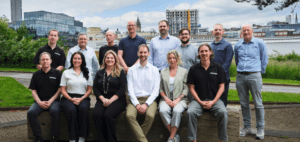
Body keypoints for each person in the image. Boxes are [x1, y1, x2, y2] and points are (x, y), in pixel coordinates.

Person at [186, 43, 228, 142]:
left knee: (223, 112)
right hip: (198, 101)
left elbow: (222, 87)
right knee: (190, 113)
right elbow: (191, 88)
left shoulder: (218, 68)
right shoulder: (193, 69)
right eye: (202, 51)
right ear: (198, 54)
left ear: (210, 52)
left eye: (206, 51)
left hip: (215, 100)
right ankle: (192, 140)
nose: (204, 53)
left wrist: (213, 102)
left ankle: (222, 140)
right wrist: (200, 102)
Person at [235, 24, 268, 140]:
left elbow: (264, 59)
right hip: (240, 76)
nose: (246, 32)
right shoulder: (238, 45)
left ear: (252, 31)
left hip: (254, 75)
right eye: (244, 30)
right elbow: (237, 60)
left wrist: (258, 72)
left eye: (248, 30)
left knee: (258, 104)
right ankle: (247, 127)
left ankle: (260, 128)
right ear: (241, 32)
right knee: (244, 104)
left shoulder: (259, 43)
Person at [126, 44, 160, 142]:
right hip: (135, 99)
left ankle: (138, 140)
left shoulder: (154, 70)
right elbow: (130, 90)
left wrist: (146, 104)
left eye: (145, 52)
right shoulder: (132, 70)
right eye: (141, 52)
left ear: (149, 54)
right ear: (138, 53)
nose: (143, 54)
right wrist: (137, 104)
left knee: (150, 116)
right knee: (129, 116)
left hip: (149, 99)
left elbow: (155, 90)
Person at [93, 50, 127, 142]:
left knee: (108, 115)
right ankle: (102, 139)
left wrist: (110, 100)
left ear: (115, 60)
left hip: (117, 100)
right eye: (108, 58)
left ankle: (111, 140)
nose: (110, 60)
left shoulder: (121, 71)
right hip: (102, 99)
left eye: (112, 58)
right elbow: (95, 88)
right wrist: (103, 99)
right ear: (104, 60)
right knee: (97, 114)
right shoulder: (99, 72)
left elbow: (122, 89)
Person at [28, 52, 62, 142]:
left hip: (54, 101)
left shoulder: (57, 73)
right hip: (40, 101)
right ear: (40, 62)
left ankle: (54, 137)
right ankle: (38, 137)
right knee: (31, 113)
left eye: (47, 59)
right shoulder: (36, 75)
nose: (45, 61)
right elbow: (33, 91)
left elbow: (60, 90)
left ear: (51, 61)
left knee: (55, 111)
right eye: (43, 60)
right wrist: (39, 102)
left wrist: (50, 101)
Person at [60, 51, 93, 142]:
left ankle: (82, 137)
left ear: (82, 60)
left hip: (83, 97)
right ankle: (72, 138)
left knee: (83, 109)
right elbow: (62, 90)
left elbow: (89, 90)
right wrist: (71, 99)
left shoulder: (87, 73)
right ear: (72, 60)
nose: (77, 60)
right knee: (71, 110)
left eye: (79, 58)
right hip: (68, 97)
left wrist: (82, 98)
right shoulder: (66, 72)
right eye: (75, 58)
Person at [158, 50, 188, 142]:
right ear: (167, 60)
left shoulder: (184, 71)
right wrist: (166, 99)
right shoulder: (163, 72)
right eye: (170, 58)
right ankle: (174, 135)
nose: (172, 60)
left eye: (174, 58)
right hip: (166, 98)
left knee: (177, 110)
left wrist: (177, 99)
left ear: (177, 59)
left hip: (180, 99)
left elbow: (186, 88)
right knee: (163, 110)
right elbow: (160, 89)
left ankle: (171, 138)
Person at [210, 23, 234, 107]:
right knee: (211, 99)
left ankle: (222, 119)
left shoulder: (228, 45)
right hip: (211, 78)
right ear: (212, 32)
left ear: (223, 32)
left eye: (219, 30)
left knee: (222, 100)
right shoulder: (210, 46)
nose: (218, 32)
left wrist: (217, 74)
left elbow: (227, 63)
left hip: (223, 78)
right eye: (216, 30)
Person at [176, 28, 200, 101]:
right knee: (180, 101)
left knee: (192, 101)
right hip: (179, 81)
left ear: (189, 36)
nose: (184, 36)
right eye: (182, 34)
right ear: (179, 36)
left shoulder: (196, 50)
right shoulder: (176, 50)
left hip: (192, 81)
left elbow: (198, 66)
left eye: (186, 34)